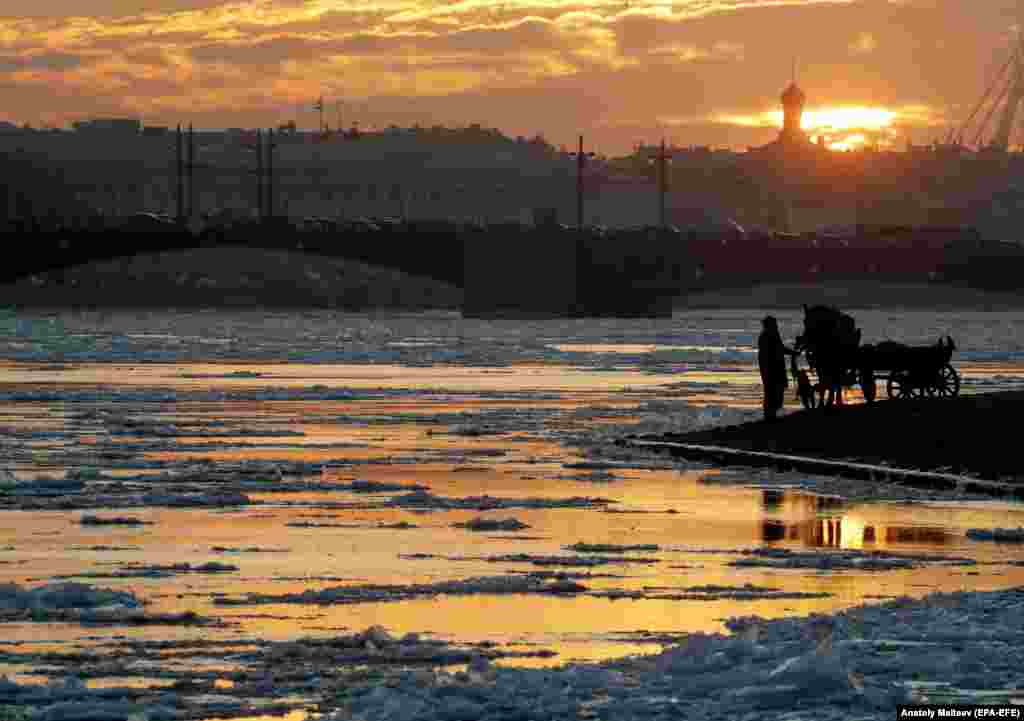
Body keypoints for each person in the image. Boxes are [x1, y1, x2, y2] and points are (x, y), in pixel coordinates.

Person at [758, 315, 799, 421]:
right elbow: (776, 350)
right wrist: (792, 353)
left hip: (775, 370)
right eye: (774, 324)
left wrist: (792, 353)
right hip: (771, 371)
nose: (776, 326)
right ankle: (769, 418)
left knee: (774, 395)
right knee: (772, 395)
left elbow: (780, 349)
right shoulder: (766, 336)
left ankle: (771, 417)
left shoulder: (772, 335)